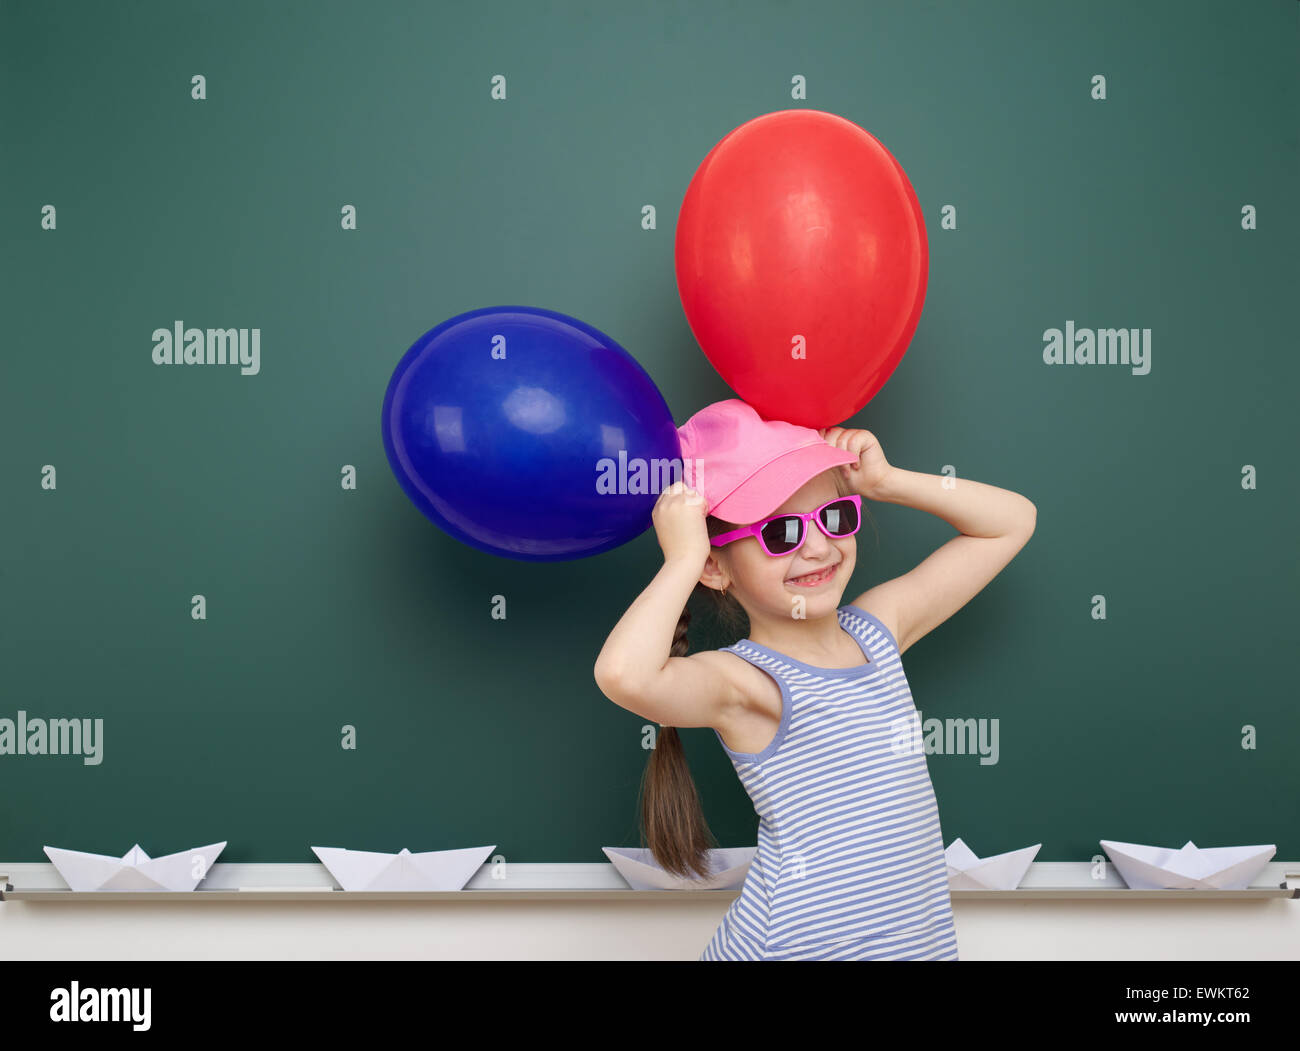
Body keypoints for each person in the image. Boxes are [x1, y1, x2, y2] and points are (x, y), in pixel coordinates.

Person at [593, 398, 1036, 960]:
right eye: (779, 532)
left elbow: (1011, 523)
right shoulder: (746, 682)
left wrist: (889, 481)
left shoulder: (879, 631)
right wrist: (681, 559)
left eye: (834, 516)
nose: (820, 546)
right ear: (716, 566)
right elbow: (622, 675)